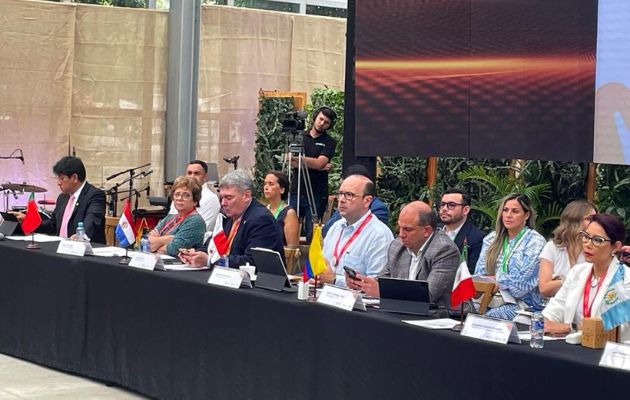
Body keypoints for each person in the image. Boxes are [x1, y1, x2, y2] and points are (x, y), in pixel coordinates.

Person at [348, 201, 460, 308]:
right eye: (400, 227)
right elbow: (383, 280)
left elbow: (428, 295)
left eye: (407, 229)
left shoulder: (445, 250)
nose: (401, 235)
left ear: (426, 231)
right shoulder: (397, 245)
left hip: (439, 317)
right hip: (402, 312)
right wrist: (362, 283)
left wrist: (382, 291)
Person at [543, 214, 630, 341]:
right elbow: (552, 312)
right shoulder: (578, 272)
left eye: (597, 240)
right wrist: (545, 323)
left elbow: (616, 328)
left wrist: (568, 328)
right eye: (585, 236)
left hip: (607, 353)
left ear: (616, 247)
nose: (588, 244)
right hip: (572, 348)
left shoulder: (624, 279)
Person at [179, 170, 284, 268]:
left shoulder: (261, 219)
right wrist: (195, 254)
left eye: (228, 198)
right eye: (222, 197)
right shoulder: (226, 214)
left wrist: (210, 261)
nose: (223, 203)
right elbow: (211, 246)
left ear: (246, 196)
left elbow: (252, 261)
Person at [474, 193, 546, 319]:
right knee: (462, 309)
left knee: (489, 317)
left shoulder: (535, 241)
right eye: (505, 210)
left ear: (527, 215)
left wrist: (496, 280)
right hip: (490, 297)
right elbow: (480, 275)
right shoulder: (491, 238)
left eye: (515, 211)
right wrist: (492, 282)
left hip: (524, 304)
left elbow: (522, 284)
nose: (508, 215)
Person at [319, 174, 393, 288]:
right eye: (340, 194)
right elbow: (323, 265)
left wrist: (334, 280)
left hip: (356, 303)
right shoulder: (336, 227)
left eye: (349, 195)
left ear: (367, 201)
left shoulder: (379, 235)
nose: (342, 200)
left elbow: (375, 285)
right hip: (325, 297)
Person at [14, 156, 106, 243]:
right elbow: (53, 225)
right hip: (62, 249)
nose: (58, 183)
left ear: (74, 178)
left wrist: (81, 235)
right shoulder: (63, 197)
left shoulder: (95, 195)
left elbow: (92, 220)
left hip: (87, 252)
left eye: (62, 178)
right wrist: (29, 220)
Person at [288, 106, 337, 241]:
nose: (322, 123)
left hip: (316, 193)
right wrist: (315, 164)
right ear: (315, 117)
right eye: (321, 119)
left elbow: (320, 163)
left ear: (330, 125)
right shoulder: (299, 136)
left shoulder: (330, 142)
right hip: (296, 190)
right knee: (288, 226)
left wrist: (301, 161)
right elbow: (289, 160)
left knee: (312, 232)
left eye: (326, 122)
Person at [538, 200, 596, 297]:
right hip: (554, 305)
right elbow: (544, 288)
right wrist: (573, 279)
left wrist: (560, 280)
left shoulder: (594, 248)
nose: (594, 223)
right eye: (590, 219)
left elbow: (594, 284)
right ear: (574, 220)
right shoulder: (552, 247)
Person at [322, 164, 389, 237]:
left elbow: (365, 234)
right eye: (341, 193)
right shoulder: (345, 205)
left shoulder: (378, 208)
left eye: (349, 193)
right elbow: (326, 232)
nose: (342, 199)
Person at [149, 176, 206, 256]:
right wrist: (166, 239)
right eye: (177, 194)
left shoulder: (196, 221)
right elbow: (147, 243)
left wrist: (157, 241)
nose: (180, 198)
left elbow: (173, 250)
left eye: (186, 195)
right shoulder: (170, 217)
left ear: (195, 201)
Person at [438, 188, 485, 272]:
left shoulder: (477, 238)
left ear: (465, 210)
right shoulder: (433, 231)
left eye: (451, 205)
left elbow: (471, 273)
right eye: (442, 204)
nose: (444, 208)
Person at [168, 160, 220, 232]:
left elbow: (197, 231)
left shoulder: (210, 198)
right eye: (189, 173)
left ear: (205, 177)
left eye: (196, 173)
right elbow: (168, 223)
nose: (192, 177)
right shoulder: (178, 195)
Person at [263, 171, 299, 246]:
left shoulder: (289, 213)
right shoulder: (263, 210)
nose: (266, 187)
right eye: (265, 184)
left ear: (282, 189)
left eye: (271, 184)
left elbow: (292, 248)